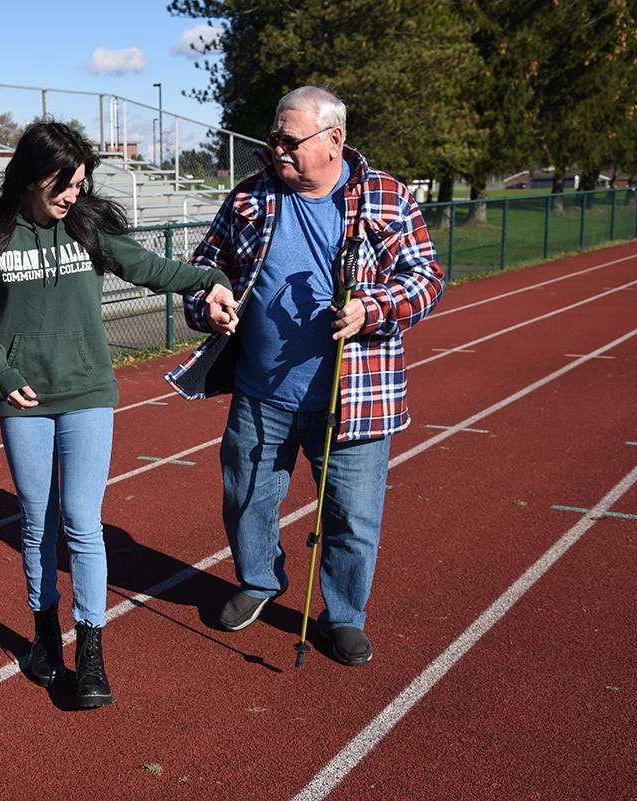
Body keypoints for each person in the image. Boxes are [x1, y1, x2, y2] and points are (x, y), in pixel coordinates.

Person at [0, 122, 235, 707]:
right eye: (63, 184)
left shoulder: (86, 223)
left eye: (81, 183)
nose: (72, 196)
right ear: (33, 176)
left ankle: (90, 650)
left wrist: (206, 278)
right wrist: (1, 372)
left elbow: (146, 267)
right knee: (37, 521)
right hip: (23, 399)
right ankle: (43, 637)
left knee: (82, 521)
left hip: (87, 391)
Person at [166, 86, 444, 665]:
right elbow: (202, 266)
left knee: (351, 515)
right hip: (261, 391)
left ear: (332, 139)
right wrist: (207, 302)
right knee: (246, 498)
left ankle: (343, 615)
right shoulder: (251, 197)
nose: (279, 150)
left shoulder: (386, 197)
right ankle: (260, 580)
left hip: (354, 396)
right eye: (275, 139)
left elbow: (426, 278)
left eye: (290, 140)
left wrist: (374, 307)